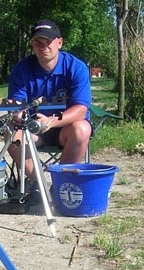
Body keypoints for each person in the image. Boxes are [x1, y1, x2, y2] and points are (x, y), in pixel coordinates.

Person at [5, 19, 92, 199]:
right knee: (10, 134)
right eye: (38, 42)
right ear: (32, 45)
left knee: (82, 128)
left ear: (59, 42)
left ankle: (61, 184)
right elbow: (17, 103)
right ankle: (41, 187)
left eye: (48, 42)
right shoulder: (22, 69)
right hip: (33, 129)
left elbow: (81, 110)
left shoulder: (76, 67)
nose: (43, 47)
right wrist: (17, 113)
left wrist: (51, 121)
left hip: (66, 128)